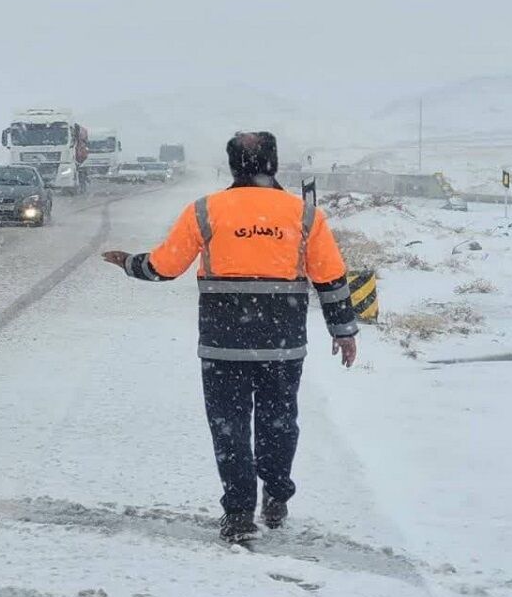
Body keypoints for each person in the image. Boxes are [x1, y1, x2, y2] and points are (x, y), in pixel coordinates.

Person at [101, 131, 359, 542]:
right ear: (273, 164)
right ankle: (276, 494)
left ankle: (239, 512)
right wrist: (343, 330)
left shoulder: (206, 210)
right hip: (282, 341)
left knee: (229, 426)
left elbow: (165, 267)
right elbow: (331, 277)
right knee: (279, 421)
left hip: (224, 344)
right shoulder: (304, 214)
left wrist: (130, 264)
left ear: (233, 165)